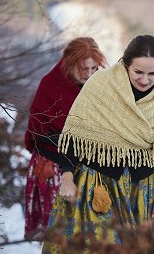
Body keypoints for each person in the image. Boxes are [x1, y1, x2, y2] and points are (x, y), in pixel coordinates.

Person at [42, 34, 154, 253]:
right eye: (138, 72)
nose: (145, 80)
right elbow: (74, 136)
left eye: (152, 73)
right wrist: (67, 178)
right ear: (125, 65)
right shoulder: (101, 84)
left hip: (141, 192)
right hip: (97, 186)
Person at [24, 37, 106, 240]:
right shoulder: (51, 84)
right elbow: (37, 131)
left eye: (93, 69)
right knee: (58, 236)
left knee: (87, 236)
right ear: (70, 64)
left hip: (86, 166)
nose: (88, 75)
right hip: (53, 164)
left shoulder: (98, 87)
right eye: (83, 69)